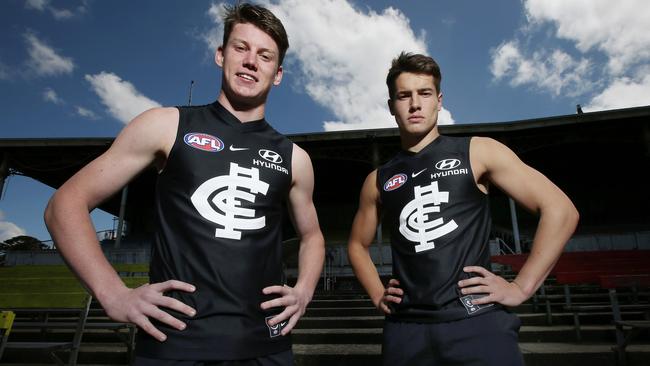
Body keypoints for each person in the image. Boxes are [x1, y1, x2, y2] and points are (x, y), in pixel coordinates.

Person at [44, 3, 324, 365]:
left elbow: (313, 236)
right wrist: (113, 294)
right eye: (241, 48)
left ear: (278, 73)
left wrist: (303, 291)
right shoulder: (165, 125)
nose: (251, 61)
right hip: (173, 346)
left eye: (264, 55)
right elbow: (64, 205)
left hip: (265, 347)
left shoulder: (294, 157)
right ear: (221, 55)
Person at [347, 52, 579, 366]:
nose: (415, 104)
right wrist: (377, 294)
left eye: (424, 93)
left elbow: (560, 210)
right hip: (406, 331)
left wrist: (521, 287)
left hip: (478, 322)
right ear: (392, 106)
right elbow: (357, 245)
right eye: (404, 96)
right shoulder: (378, 179)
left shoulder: (478, 151)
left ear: (439, 101)